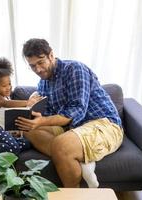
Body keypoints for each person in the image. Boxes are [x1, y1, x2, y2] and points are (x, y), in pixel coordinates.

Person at [16, 38, 123, 188]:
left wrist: (43, 121)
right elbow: (48, 114)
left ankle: (72, 191)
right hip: (72, 129)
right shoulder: (43, 83)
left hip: (103, 124)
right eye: (33, 66)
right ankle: (77, 157)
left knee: (61, 145)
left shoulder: (74, 69)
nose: (38, 70)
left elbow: (76, 111)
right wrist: (34, 110)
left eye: (41, 63)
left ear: (51, 55)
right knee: (28, 129)